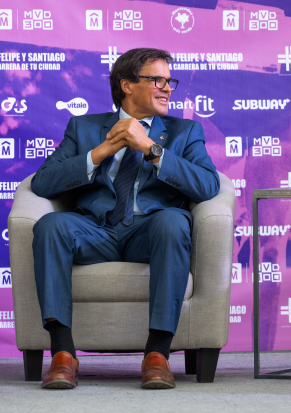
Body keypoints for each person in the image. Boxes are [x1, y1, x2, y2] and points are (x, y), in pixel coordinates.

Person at [30, 48, 220, 390]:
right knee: (51, 225)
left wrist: (151, 148)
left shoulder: (184, 131)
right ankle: (62, 353)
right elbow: (43, 182)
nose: (167, 88)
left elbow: (207, 186)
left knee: (174, 220)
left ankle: (157, 354)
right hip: (94, 231)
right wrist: (101, 150)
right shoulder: (84, 127)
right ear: (127, 85)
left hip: (148, 232)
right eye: (156, 79)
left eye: (169, 81)